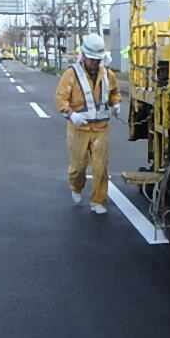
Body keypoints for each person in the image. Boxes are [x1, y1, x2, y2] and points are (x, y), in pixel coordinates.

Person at [55, 34, 121, 214]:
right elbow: (61, 99)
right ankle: (76, 187)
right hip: (78, 129)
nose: (94, 63)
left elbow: (114, 92)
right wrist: (71, 114)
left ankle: (98, 201)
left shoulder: (108, 75)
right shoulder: (71, 74)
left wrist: (116, 103)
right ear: (84, 56)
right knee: (78, 168)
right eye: (91, 59)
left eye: (97, 60)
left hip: (100, 128)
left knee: (100, 167)